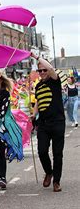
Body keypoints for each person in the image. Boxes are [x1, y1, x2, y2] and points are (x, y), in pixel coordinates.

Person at [31, 53, 66, 192]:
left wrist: (36, 57)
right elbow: (38, 101)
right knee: (42, 151)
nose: (43, 72)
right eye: (40, 70)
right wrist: (34, 114)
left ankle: (56, 181)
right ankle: (49, 172)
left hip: (57, 122)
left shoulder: (54, 81)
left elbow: (51, 68)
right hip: (44, 124)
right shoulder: (38, 86)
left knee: (58, 153)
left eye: (44, 70)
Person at [0, 70, 20, 190]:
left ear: (1, 79)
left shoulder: (5, 94)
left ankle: (2, 177)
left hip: (1, 125)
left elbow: (2, 111)